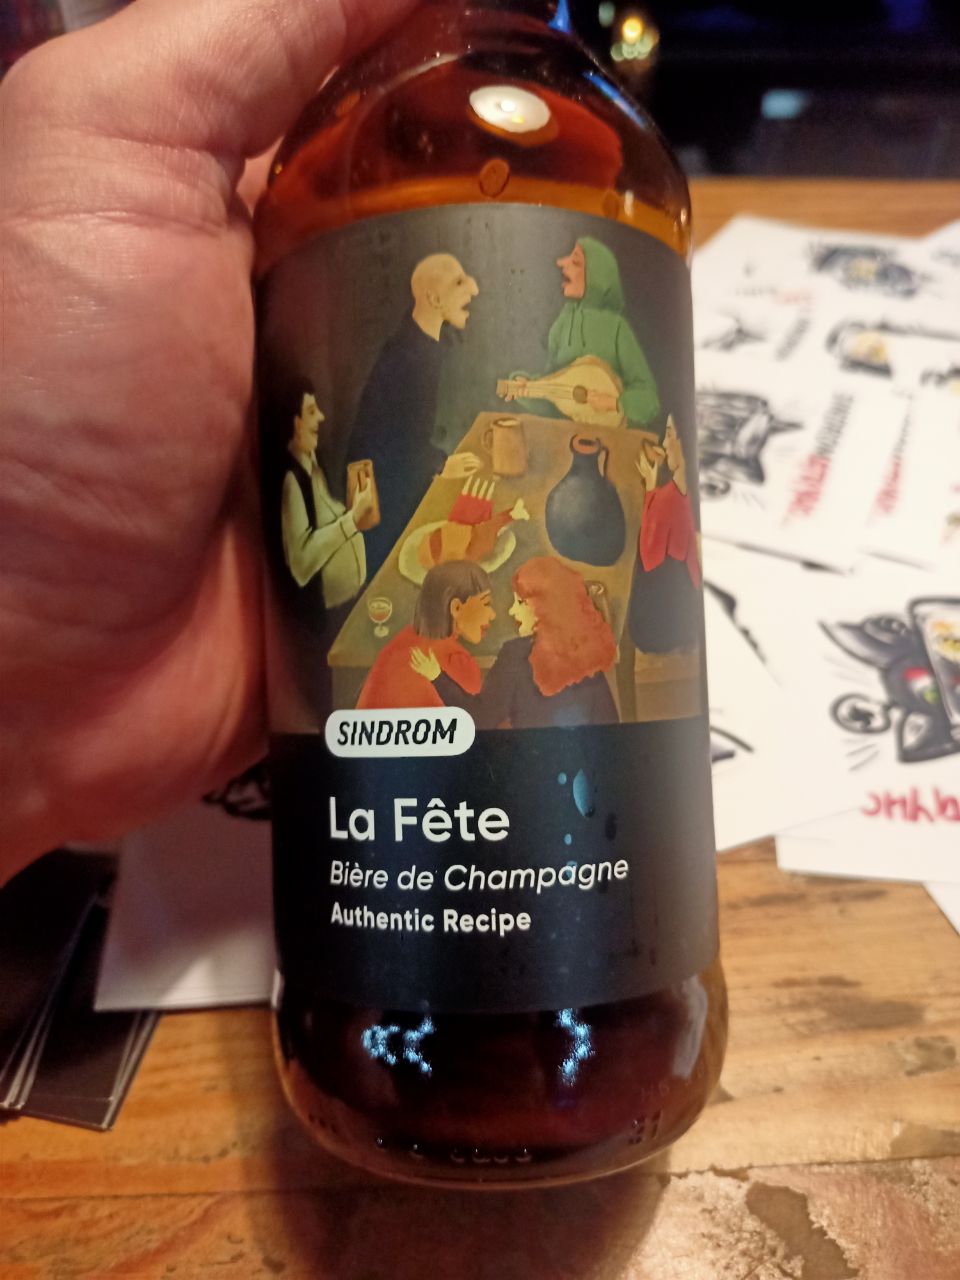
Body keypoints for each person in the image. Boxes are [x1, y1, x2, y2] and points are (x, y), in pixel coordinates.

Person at [0, 0, 417, 881]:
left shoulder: (309, 469)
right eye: (309, 416)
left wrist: (31, 729)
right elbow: (309, 560)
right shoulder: (299, 476)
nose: (313, 418)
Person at [349, 253, 483, 579]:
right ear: (434, 299)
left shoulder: (422, 345)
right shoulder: (409, 359)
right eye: (459, 282)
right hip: (387, 504)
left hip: (400, 483)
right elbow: (392, 446)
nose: (474, 288)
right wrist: (441, 465)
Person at [412, 556, 619, 729]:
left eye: (520, 602)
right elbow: (609, 727)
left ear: (546, 606)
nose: (512, 611)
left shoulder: (516, 655)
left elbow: (480, 718)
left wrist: (437, 677)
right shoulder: (585, 653)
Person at [503, 237, 660, 429]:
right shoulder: (562, 325)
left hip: (610, 439)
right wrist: (527, 388)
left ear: (597, 277)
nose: (561, 263)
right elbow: (555, 397)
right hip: (564, 438)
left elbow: (649, 401)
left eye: (575, 262)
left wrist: (615, 403)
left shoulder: (617, 328)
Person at [280, 380, 369, 621]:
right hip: (331, 618)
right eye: (311, 412)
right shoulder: (291, 481)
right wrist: (351, 521)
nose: (320, 417)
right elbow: (301, 564)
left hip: (354, 602)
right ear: (297, 424)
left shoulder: (315, 466)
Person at [357, 561, 494, 710]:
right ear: (456, 607)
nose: (493, 615)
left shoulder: (401, 641)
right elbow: (474, 717)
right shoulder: (459, 663)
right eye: (486, 604)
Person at [628, 416, 702, 655]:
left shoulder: (667, 498)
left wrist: (651, 489)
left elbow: (649, 556)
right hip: (688, 597)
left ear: (685, 443)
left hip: (661, 627)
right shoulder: (689, 493)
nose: (664, 443)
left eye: (670, 435)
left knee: (639, 563)